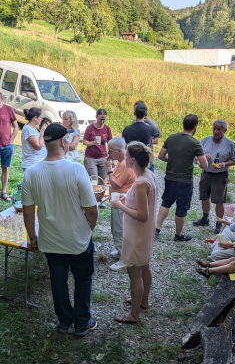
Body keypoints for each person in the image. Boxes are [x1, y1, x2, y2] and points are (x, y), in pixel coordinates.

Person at [21, 123, 99, 337]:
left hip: (50, 241)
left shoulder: (31, 173)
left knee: (58, 281)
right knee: (83, 279)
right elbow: (91, 209)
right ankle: (82, 322)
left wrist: (32, 237)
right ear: (64, 143)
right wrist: (89, 227)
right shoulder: (76, 169)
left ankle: (65, 321)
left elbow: (28, 212)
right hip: (78, 239)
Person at [110, 141, 158, 323]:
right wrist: (126, 198)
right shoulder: (149, 175)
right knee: (145, 265)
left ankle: (134, 314)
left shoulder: (140, 183)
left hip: (137, 234)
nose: (123, 158)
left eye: (125, 155)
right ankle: (143, 301)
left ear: (131, 160)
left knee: (134, 273)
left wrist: (121, 205)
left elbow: (142, 215)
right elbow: (141, 200)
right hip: (144, 234)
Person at [155, 114, 208, 241]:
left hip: (170, 178)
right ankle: (178, 234)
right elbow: (204, 165)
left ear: (183, 124)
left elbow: (161, 156)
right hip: (185, 181)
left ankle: (157, 228)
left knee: (165, 202)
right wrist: (196, 161)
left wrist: (172, 159)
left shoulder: (172, 138)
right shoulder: (195, 143)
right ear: (195, 127)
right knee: (181, 207)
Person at [193, 120, 235, 234]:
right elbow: (195, 156)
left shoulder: (230, 144)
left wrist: (223, 164)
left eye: (219, 129)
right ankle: (205, 218)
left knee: (219, 200)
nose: (215, 131)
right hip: (206, 173)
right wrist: (202, 157)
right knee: (204, 197)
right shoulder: (205, 140)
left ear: (224, 130)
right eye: (214, 128)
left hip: (220, 175)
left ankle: (219, 223)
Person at [105, 137, 136, 270]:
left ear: (119, 150)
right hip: (118, 200)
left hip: (121, 202)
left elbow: (115, 184)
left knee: (119, 229)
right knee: (117, 228)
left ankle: (125, 259)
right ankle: (120, 251)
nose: (108, 154)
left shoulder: (123, 164)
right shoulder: (121, 160)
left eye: (110, 151)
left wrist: (109, 169)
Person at [122, 101, 161, 172]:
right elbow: (159, 134)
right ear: (146, 114)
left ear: (134, 113)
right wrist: (150, 123)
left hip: (132, 162)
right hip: (146, 161)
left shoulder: (127, 129)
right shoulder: (150, 129)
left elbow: (124, 145)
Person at [82, 109, 113, 180]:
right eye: (100, 119)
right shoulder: (90, 128)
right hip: (90, 158)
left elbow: (110, 143)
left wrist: (112, 157)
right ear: (96, 117)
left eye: (103, 120)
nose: (102, 122)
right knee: (94, 180)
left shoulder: (107, 129)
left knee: (104, 180)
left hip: (103, 157)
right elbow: (84, 141)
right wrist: (93, 143)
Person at [21, 107, 47, 172]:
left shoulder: (33, 129)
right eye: (40, 117)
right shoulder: (28, 129)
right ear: (35, 118)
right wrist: (42, 133)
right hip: (32, 164)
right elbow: (38, 146)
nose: (42, 119)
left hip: (37, 163)